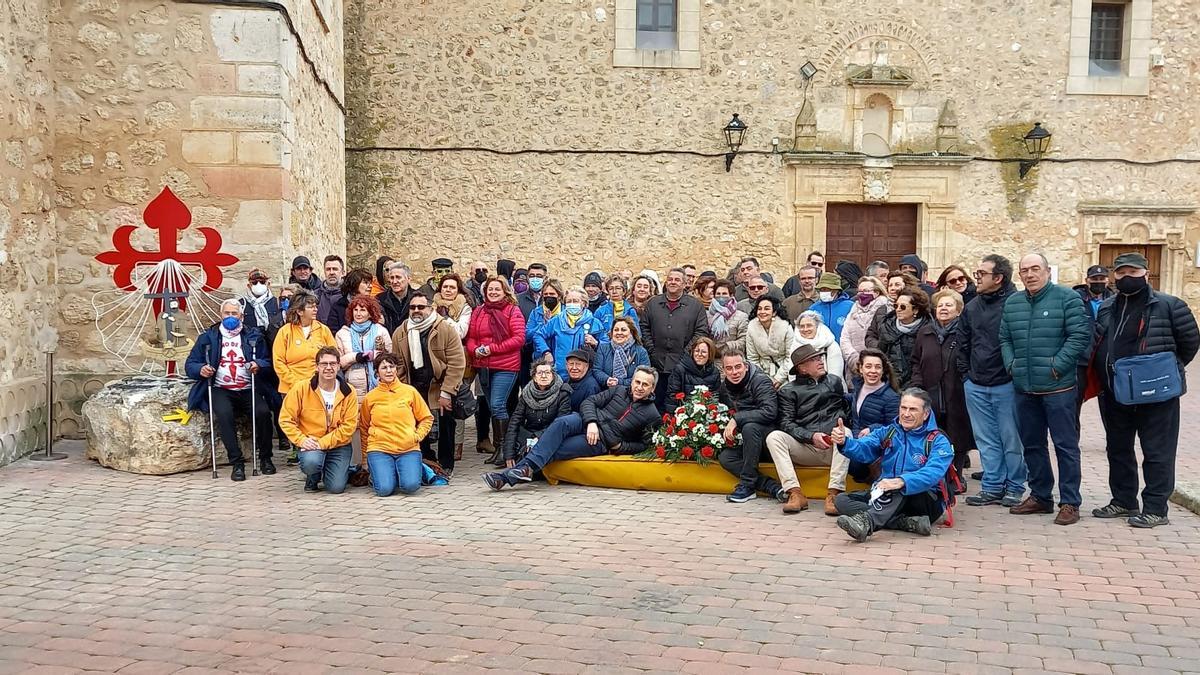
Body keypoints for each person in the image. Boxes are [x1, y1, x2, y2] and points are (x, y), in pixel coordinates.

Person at [1090, 252, 1200, 528]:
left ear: (1145, 274)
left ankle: (1155, 508)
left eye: (1133, 272)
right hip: (1115, 391)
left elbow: (1190, 342)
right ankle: (1124, 500)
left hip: (1157, 394)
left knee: (1157, 451)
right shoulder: (1107, 307)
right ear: (1115, 275)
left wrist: (1164, 371)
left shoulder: (1170, 305)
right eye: (1122, 272)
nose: (1127, 277)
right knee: (1118, 449)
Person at [1000, 253, 1091, 525]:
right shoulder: (1013, 302)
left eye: (1035, 269)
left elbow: (1079, 336)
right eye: (1024, 270)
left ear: (1047, 271)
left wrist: (1057, 366)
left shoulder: (1067, 298)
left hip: (1058, 387)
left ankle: (1070, 502)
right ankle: (1040, 496)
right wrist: (1011, 366)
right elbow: (1004, 338)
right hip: (1024, 387)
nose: (1030, 274)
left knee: (1065, 445)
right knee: (1032, 444)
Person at [482, 367, 661, 490]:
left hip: (600, 440)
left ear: (652, 388)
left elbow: (645, 446)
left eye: (645, 385)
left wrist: (619, 447)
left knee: (558, 448)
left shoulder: (652, 415)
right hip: (586, 421)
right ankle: (524, 470)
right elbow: (589, 402)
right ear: (632, 381)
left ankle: (507, 477)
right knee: (561, 423)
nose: (639, 387)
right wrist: (592, 422)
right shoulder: (619, 390)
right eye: (637, 382)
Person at [831, 388, 955, 542]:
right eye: (903, 408)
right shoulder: (890, 432)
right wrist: (845, 442)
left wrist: (902, 481)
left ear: (925, 414)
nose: (906, 414)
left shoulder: (938, 440)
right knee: (841, 500)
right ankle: (905, 522)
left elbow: (933, 473)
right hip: (887, 493)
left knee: (898, 487)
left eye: (913, 409)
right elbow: (864, 447)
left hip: (925, 500)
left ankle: (867, 523)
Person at [960, 254, 1027, 508]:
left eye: (981, 274)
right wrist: (966, 375)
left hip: (1006, 384)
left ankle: (1015, 486)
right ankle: (992, 486)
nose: (976, 278)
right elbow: (963, 341)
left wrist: (1014, 374)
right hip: (976, 383)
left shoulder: (1017, 304)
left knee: (1011, 439)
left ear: (998, 278)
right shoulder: (973, 306)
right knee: (986, 439)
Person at [184, 299, 274, 481]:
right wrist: (201, 368)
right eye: (227, 313)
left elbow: (268, 361)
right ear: (221, 315)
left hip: (248, 387)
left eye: (235, 314)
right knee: (224, 415)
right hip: (221, 388)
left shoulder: (253, 336)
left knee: (263, 413)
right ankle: (237, 462)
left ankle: (265, 458)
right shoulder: (208, 337)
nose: (231, 317)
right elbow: (190, 364)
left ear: (241, 316)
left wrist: (258, 364)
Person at [765, 345, 853, 516]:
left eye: (820, 358)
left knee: (846, 433)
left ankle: (834, 495)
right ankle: (794, 493)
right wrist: (811, 437)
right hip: (806, 447)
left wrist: (839, 429)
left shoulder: (835, 382)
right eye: (814, 359)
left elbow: (846, 411)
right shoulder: (788, 391)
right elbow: (786, 423)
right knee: (774, 437)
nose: (820, 361)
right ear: (802, 368)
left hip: (834, 447)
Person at [391, 291, 467, 473]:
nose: (416, 311)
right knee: (417, 423)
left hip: (440, 384)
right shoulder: (401, 332)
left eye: (421, 307)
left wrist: (447, 392)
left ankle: (446, 463)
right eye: (412, 307)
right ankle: (426, 458)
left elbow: (457, 362)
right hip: (414, 385)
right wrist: (402, 390)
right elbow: (398, 364)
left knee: (446, 421)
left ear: (430, 308)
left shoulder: (445, 328)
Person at [910, 289, 971, 487]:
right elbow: (916, 361)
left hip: (957, 391)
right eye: (941, 305)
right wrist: (918, 385)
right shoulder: (925, 332)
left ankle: (956, 477)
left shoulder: (964, 332)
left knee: (957, 436)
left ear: (959, 310)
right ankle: (936, 477)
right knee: (933, 434)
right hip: (930, 391)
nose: (944, 309)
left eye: (949, 305)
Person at [279, 347, 359, 493]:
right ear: (317, 366)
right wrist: (301, 440)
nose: (328, 368)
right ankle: (313, 476)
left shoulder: (349, 391)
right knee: (312, 463)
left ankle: (335, 469)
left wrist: (322, 444)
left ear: (339, 366)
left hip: (338, 445)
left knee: (336, 488)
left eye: (333, 364)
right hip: (311, 442)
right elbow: (285, 419)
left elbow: (349, 426)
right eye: (324, 364)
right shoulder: (301, 388)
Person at [465, 277, 527, 465]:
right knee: (493, 407)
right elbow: (471, 336)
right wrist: (474, 349)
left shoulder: (512, 311)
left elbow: (518, 338)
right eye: (490, 289)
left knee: (498, 404)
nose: (493, 292)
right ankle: (499, 449)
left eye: (496, 289)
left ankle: (505, 449)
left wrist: (492, 348)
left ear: (505, 291)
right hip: (484, 365)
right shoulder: (479, 311)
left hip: (505, 366)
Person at [715, 350, 787, 509]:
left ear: (746, 366)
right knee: (726, 457)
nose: (734, 372)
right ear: (724, 370)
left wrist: (737, 419)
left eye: (738, 367)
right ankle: (771, 487)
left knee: (750, 427)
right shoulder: (724, 387)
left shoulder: (760, 381)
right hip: (746, 441)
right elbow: (723, 411)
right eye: (729, 368)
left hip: (769, 438)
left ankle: (747, 485)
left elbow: (770, 412)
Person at [359, 353, 435, 496]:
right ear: (377, 372)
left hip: (408, 448)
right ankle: (381, 473)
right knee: (384, 490)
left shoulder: (410, 391)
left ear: (396, 369)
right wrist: (364, 459)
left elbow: (426, 418)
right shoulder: (370, 397)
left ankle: (404, 471)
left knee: (411, 487)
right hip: (379, 448)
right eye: (384, 367)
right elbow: (364, 427)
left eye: (391, 366)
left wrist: (416, 436)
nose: (388, 370)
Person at [335, 294, 392, 463]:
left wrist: (375, 355)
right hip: (354, 384)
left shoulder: (380, 331)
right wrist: (357, 356)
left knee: (378, 423)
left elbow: (388, 356)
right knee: (357, 426)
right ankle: (360, 464)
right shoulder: (343, 333)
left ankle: (378, 461)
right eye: (356, 310)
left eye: (363, 310)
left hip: (377, 384)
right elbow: (339, 362)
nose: (359, 313)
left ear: (370, 312)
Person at [641, 267, 709, 406]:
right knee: (656, 402)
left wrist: (687, 353)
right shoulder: (653, 303)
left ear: (684, 284)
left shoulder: (695, 306)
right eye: (670, 279)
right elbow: (644, 327)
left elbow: (701, 331)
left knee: (678, 403)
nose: (673, 282)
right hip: (656, 362)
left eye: (677, 280)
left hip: (683, 364)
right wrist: (651, 350)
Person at [500, 362, 573, 468]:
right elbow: (515, 422)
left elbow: (560, 423)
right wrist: (509, 454)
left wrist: (538, 436)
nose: (544, 376)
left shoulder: (563, 393)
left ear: (553, 375)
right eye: (540, 373)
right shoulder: (526, 393)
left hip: (551, 434)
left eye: (547, 373)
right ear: (534, 377)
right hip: (529, 434)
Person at [847, 348, 901, 483]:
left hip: (876, 445)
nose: (873, 371)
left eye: (878, 367)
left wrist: (872, 429)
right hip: (856, 438)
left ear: (883, 371)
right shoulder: (858, 387)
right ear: (860, 369)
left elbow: (896, 428)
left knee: (853, 464)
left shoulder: (891, 397)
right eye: (868, 366)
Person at [272, 291, 337, 396]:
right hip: (291, 388)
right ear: (299, 311)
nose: (315, 309)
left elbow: (334, 356)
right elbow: (278, 362)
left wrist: (318, 380)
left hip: (318, 386)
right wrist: (295, 383)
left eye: (315, 306)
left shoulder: (323, 330)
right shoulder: (285, 331)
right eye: (310, 307)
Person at [533, 286, 606, 378]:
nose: (572, 304)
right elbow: (538, 335)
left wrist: (596, 343)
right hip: (559, 373)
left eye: (575, 301)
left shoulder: (594, 322)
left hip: (584, 376)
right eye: (569, 301)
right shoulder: (557, 321)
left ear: (583, 303)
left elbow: (606, 346)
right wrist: (546, 352)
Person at [1074, 264, 1113, 419]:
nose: (1098, 282)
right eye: (1094, 279)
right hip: (1081, 360)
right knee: (1074, 403)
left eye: (1101, 278)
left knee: (1110, 406)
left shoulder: (1115, 300)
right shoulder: (1074, 299)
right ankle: (1072, 442)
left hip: (1106, 359)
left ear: (1107, 281)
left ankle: (1113, 442)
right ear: (1087, 280)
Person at [874, 288, 929, 388]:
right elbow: (880, 355)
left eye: (903, 307)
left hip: (917, 384)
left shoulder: (927, 331)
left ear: (915, 310)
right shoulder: (886, 326)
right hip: (890, 383)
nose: (898, 309)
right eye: (896, 305)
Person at [745, 296, 799, 388]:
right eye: (759, 309)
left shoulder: (786, 327)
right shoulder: (751, 327)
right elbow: (752, 357)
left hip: (784, 370)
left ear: (774, 312)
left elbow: (790, 356)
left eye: (766, 309)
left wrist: (779, 378)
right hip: (761, 372)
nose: (762, 312)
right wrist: (764, 379)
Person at [840, 276, 890, 375]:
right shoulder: (853, 309)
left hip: (876, 366)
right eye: (860, 291)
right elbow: (844, 337)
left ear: (877, 292)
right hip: (855, 366)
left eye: (866, 291)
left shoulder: (885, 309)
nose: (862, 294)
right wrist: (853, 357)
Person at [592, 316, 651, 389]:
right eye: (616, 330)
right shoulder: (603, 348)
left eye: (623, 330)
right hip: (605, 391)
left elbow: (644, 376)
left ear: (631, 332)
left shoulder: (641, 352)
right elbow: (597, 370)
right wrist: (607, 379)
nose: (619, 333)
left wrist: (619, 382)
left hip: (631, 392)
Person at [666, 336, 721, 401]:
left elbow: (715, 396)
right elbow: (672, 396)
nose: (699, 354)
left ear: (710, 354)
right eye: (697, 351)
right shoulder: (680, 369)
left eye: (704, 352)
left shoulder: (715, 372)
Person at [795, 310, 844, 383]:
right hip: (803, 390)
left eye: (809, 325)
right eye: (802, 326)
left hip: (829, 389)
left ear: (817, 327)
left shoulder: (830, 344)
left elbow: (835, 377)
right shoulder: (795, 344)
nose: (805, 329)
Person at [706, 279, 749, 354]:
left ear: (731, 295)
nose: (721, 296)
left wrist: (724, 348)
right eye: (718, 293)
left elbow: (743, 340)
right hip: (710, 358)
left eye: (724, 293)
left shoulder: (741, 316)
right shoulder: (707, 315)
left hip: (732, 357)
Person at [808, 272, 854, 343]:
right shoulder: (813, 308)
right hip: (820, 350)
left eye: (827, 289)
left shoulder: (850, 306)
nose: (824, 292)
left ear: (837, 291)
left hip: (843, 350)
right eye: (822, 289)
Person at [328, 268, 373, 333]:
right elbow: (333, 331)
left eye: (370, 283)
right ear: (354, 284)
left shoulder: (374, 305)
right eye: (365, 282)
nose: (370, 286)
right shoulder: (338, 307)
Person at [377, 262, 416, 333]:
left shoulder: (417, 298)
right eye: (392, 278)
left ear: (408, 279)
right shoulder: (379, 300)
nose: (394, 281)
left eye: (398, 277)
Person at [241, 268, 280, 336]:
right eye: (254, 282)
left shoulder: (277, 302)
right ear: (249, 285)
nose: (258, 284)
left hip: (272, 343)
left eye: (262, 282)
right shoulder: (241, 304)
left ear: (268, 284)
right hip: (250, 343)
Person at [433, 273, 473, 339]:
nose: (448, 290)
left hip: (454, 346)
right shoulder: (432, 306)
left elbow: (461, 333)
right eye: (445, 287)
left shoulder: (465, 308)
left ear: (458, 290)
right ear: (440, 289)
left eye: (452, 287)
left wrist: (445, 318)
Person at [315, 255, 345, 329]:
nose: (331, 272)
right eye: (328, 269)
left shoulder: (349, 295)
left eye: (335, 269)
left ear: (343, 272)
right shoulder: (315, 296)